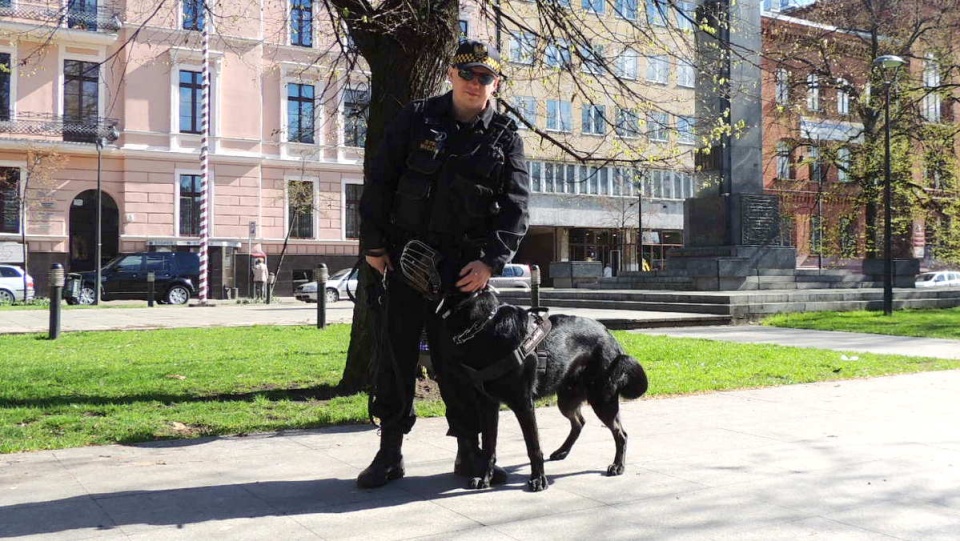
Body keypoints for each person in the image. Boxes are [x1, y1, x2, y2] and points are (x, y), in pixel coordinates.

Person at [357, 40, 529, 488]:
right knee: (396, 358)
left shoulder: (506, 136)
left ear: (495, 84)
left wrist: (491, 262)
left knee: (460, 363)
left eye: (485, 77)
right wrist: (374, 245)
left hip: (463, 271)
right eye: (468, 74)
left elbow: (516, 208)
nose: (476, 83)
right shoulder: (416, 118)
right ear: (451, 75)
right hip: (405, 259)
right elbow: (379, 181)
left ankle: (469, 451)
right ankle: (389, 451)